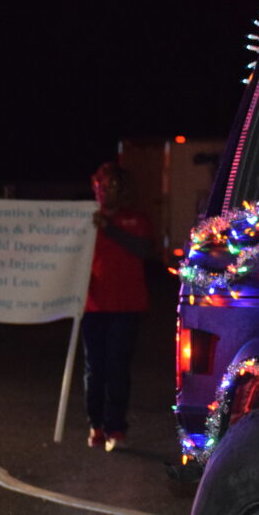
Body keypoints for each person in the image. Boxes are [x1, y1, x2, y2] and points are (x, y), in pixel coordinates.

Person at [83, 161, 152, 451]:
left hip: (126, 306)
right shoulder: (86, 219)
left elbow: (144, 250)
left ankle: (116, 427)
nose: (103, 192)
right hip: (93, 307)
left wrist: (109, 229)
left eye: (109, 186)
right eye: (99, 186)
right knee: (94, 370)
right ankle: (95, 424)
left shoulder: (136, 219)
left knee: (118, 369)